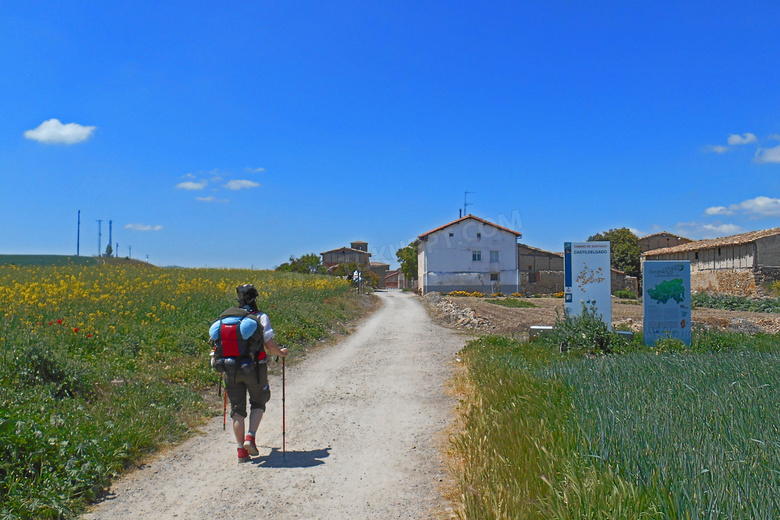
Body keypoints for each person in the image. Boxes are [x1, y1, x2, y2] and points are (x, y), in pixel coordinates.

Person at [209, 284, 288, 463]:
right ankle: (250, 437)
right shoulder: (260, 317)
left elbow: (214, 342)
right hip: (255, 369)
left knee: (237, 410)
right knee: (258, 402)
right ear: (255, 298)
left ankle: (240, 452)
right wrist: (281, 353)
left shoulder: (227, 318)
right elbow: (269, 345)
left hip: (230, 369)